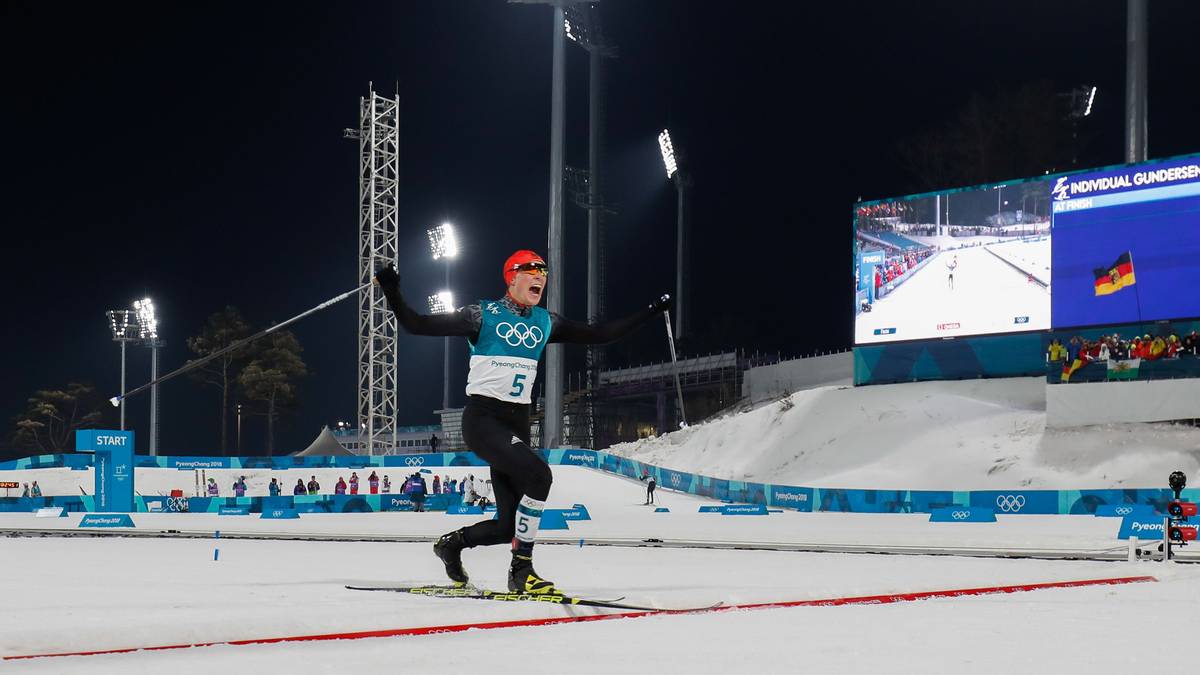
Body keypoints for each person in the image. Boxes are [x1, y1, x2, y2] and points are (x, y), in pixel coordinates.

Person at [376, 250, 670, 594]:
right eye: (531, 269)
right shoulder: (481, 314)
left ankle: (451, 545)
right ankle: (521, 572)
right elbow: (416, 324)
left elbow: (600, 334)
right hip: (483, 420)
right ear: (511, 277)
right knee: (540, 475)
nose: (540, 276)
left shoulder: (546, 321)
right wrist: (391, 288)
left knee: (507, 527)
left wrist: (650, 312)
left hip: (516, 425)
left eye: (543, 271)